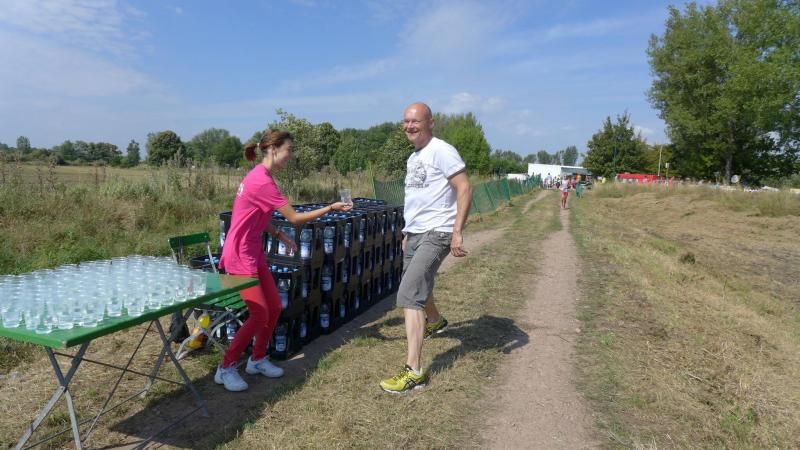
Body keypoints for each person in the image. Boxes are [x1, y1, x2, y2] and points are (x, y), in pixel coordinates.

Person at [214, 130, 352, 392]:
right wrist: (330, 208)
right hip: (240, 254)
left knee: (275, 307)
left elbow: (256, 213)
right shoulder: (261, 180)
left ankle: (257, 359)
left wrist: (279, 235)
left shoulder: (261, 177)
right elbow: (295, 218)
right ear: (274, 148)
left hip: (253, 251)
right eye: (289, 149)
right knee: (259, 314)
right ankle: (226, 367)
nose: (291, 155)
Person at [379, 102, 474, 394]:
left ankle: (414, 372)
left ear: (430, 123)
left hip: (438, 231)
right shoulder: (414, 157)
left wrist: (457, 231)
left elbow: (465, 187)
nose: (409, 126)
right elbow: (418, 198)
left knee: (409, 293)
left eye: (416, 121)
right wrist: (407, 231)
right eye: (406, 121)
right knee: (417, 284)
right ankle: (435, 320)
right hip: (416, 233)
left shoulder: (442, 150)